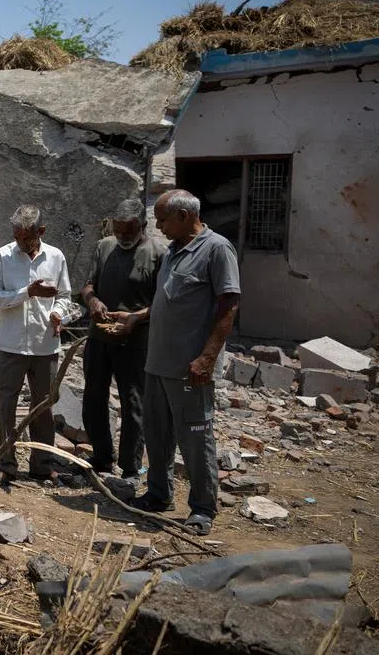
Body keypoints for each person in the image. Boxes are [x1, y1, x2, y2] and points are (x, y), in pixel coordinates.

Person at [131, 189, 240, 537]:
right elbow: (168, 302)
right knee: (157, 434)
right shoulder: (172, 252)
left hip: (190, 367)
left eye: (162, 219)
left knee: (195, 437)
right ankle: (159, 495)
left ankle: (203, 508)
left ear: (182, 216)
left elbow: (228, 307)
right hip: (158, 363)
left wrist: (207, 357)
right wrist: (136, 317)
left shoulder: (217, 249)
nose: (158, 226)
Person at [80, 199, 166, 480]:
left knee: (134, 404)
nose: (123, 237)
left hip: (135, 343)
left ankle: (130, 467)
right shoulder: (104, 247)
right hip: (99, 338)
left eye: (129, 231)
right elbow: (88, 286)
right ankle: (102, 457)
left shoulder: (158, 253)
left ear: (142, 226)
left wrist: (135, 318)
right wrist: (92, 301)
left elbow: (164, 303)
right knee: (93, 398)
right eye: (118, 231)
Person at [0, 205, 72, 482]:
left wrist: (58, 314)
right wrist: (28, 293)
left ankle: (42, 464)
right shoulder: (2, 256)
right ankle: (5, 465)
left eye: (27, 237)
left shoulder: (56, 257)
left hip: (45, 345)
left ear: (41, 231)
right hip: (10, 345)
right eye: (17, 237)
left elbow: (65, 296)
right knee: (6, 407)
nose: (21, 243)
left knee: (44, 407)